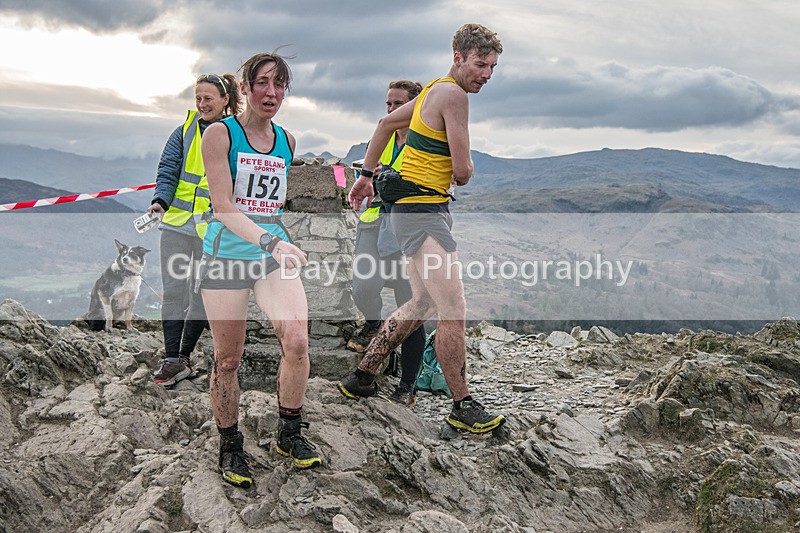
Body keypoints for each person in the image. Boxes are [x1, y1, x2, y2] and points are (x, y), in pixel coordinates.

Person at [338, 23, 506, 434]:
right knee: (454, 311)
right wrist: (459, 169)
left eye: (493, 67)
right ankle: (462, 405)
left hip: (408, 210)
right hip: (425, 211)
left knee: (420, 304)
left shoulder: (431, 89)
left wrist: (365, 175)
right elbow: (463, 171)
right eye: (481, 64)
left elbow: (382, 125)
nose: (486, 73)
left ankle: (361, 377)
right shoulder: (453, 95)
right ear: (458, 58)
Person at [199, 51, 321, 488]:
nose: (272, 93)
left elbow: (270, 203)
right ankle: (230, 445)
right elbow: (225, 208)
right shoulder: (220, 134)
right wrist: (270, 239)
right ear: (245, 88)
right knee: (228, 357)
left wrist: (274, 241)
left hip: (272, 255)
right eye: (263, 83)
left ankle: (290, 432)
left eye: (280, 85)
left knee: (298, 340)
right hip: (228, 254)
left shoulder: (287, 140)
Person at [149, 73, 242, 386]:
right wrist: (160, 201)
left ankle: (185, 356)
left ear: (225, 100)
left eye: (208, 99)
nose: (202, 104)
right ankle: (171, 358)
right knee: (174, 291)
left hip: (213, 230)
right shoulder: (184, 131)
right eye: (198, 99)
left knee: (203, 293)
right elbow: (168, 170)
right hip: (176, 223)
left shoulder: (235, 133)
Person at [348, 80, 426, 408]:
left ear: (415, 107)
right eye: (388, 104)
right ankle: (373, 324)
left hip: (407, 232)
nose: (392, 110)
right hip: (373, 225)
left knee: (409, 306)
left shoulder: (427, 144)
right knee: (363, 287)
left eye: (398, 104)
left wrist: (385, 177)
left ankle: (408, 384)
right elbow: (362, 178)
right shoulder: (380, 138)